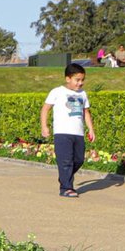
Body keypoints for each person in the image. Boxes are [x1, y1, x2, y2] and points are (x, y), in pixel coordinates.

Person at [40, 63, 96, 199]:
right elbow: (45, 109)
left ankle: (65, 176)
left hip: (78, 133)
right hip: (62, 133)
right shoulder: (57, 92)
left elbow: (86, 112)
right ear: (68, 79)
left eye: (82, 80)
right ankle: (66, 187)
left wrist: (91, 129)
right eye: (77, 80)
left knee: (79, 159)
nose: (80, 83)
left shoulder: (83, 94)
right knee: (65, 161)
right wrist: (44, 126)